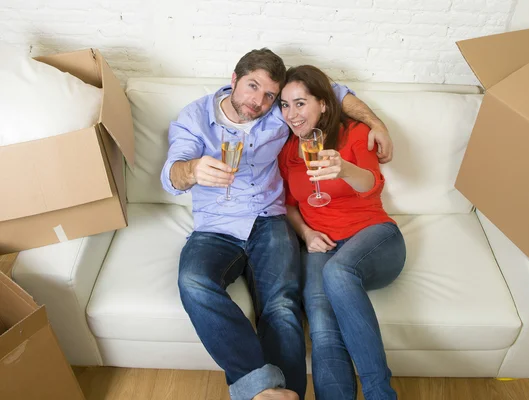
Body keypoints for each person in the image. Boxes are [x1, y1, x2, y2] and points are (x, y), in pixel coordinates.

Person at [161, 49, 393, 400]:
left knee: (282, 305)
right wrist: (192, 170)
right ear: (234, 80)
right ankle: (265, 389)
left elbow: (333, 95)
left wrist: (377, 124)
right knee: (193, 281)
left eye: (270, 95)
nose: (258, 101)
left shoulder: (282, 115)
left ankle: (287, 394)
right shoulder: (195, 117)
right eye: (252, 87)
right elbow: (171, 174)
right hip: (217, 226)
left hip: (270, 220)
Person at [278, 65, 407, 400]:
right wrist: (305, 233)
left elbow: (372, 185)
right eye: (285, 105)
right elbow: (289, 204)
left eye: (300, 103)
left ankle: (380, 393)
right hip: (323, 245)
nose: (292, 114)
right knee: (321, 326)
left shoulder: (354, 132)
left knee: (339, 271)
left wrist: (345, 169)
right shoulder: (288, 151)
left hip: (374, 236)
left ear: (323, 103)